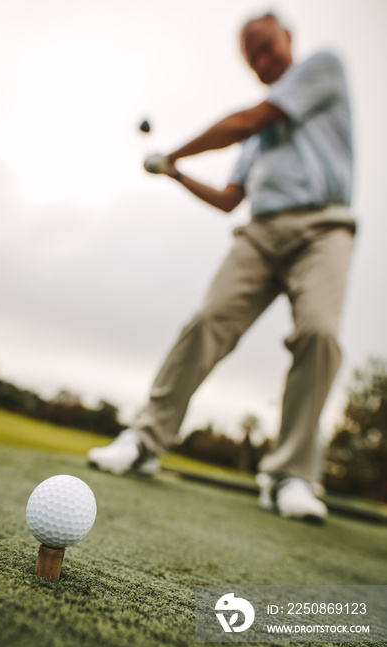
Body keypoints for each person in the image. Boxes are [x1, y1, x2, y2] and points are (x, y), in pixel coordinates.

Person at [88, 13, 356, 522]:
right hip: (259, 234)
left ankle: (291, 476)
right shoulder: (256, 143)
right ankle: (145, 441)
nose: (262, 60)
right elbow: (230, 199)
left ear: (288, 39)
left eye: (266, 47)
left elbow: (247, 120)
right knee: (207, 321)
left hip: (324, 229)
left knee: (319, 333)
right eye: (252, 56)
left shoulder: (324, 68)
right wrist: (176, 173)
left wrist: (173, 150)